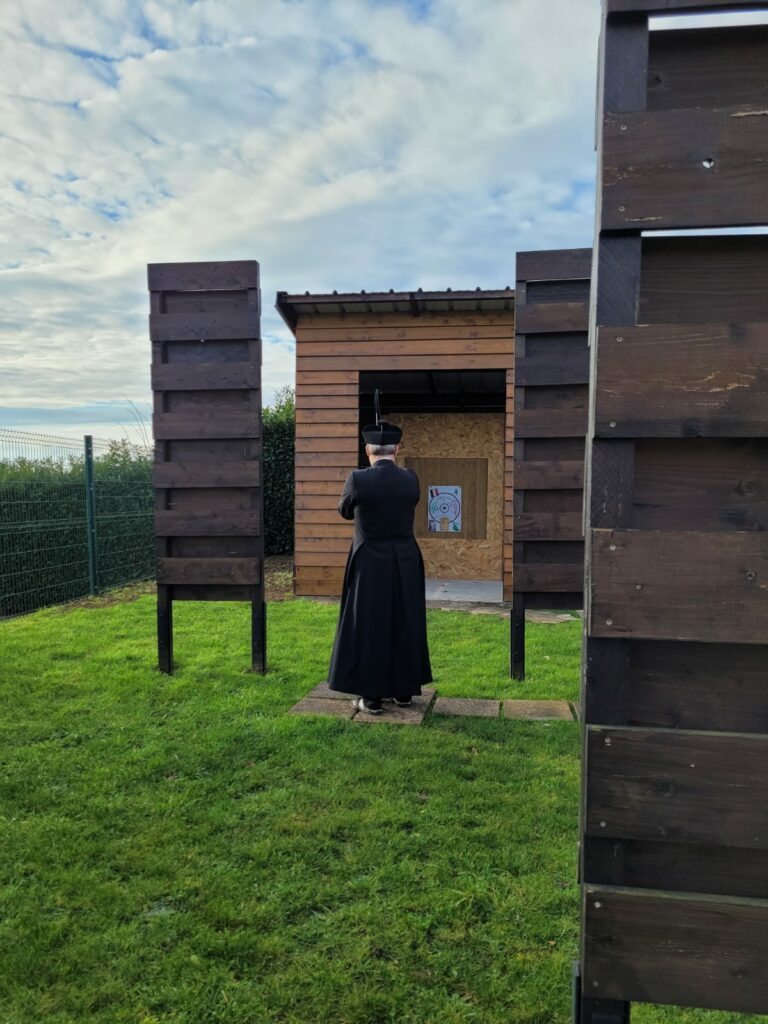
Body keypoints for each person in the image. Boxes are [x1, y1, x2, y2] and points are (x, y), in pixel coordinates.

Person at [327, 419, 432, 714]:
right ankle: (404, 692)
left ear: (367, 450)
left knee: (369, 623)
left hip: (370, 563)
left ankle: (371, 697)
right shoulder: (410, 479)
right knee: (405, 620)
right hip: (406, 560)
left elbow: (345, 511)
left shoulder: (357, 479)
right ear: (396, 449)